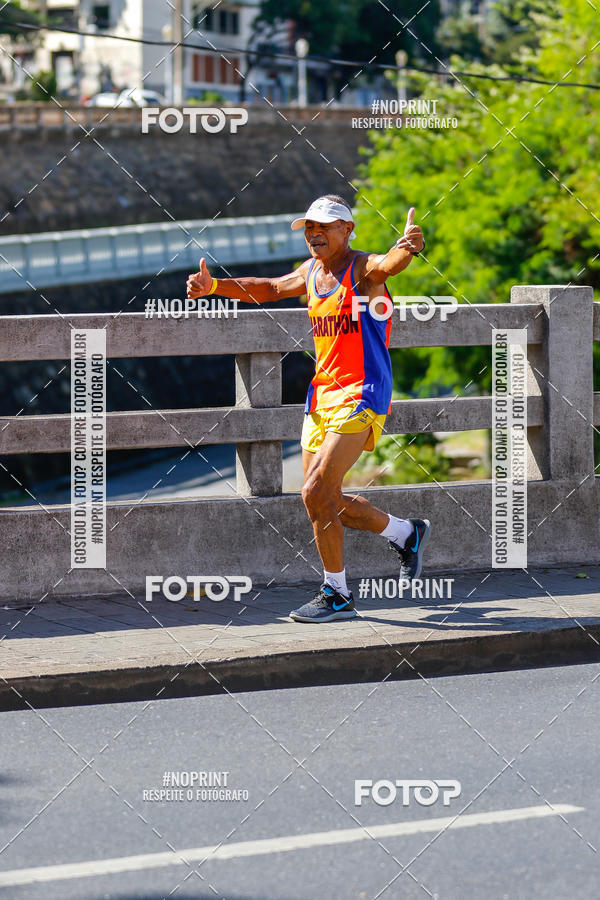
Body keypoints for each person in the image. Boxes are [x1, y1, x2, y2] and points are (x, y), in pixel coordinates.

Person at [186, 194, 431, 623]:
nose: (314, 234)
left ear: (347, 230)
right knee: (324, 500)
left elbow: (388, 265)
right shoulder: (313, 272)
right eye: (309, 229)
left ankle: (336, 594)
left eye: (324, 226)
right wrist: (215, 287)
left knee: (314, 490)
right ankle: (405, 532)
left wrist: (406, 246)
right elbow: (271, 289)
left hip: (363, 393)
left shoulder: (362, 269)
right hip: (321, 396)